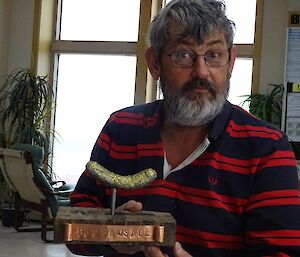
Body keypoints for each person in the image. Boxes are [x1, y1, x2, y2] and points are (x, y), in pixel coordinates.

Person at [66, 0, 300, 256]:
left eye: (214, 55)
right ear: (155, 63)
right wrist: (112, 232)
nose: (201, 72)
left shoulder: (267, 150)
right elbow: (72, 229)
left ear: (231, 62)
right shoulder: (120, 128)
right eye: (183, 55)